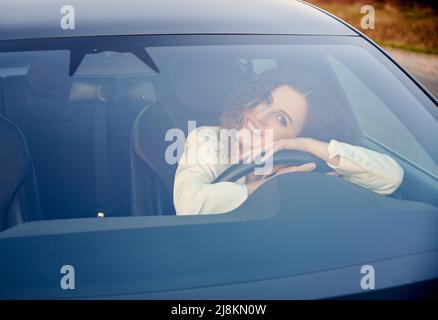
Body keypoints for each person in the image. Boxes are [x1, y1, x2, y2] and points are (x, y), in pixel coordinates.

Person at [173, 69, 404, 215]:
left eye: (282, 119)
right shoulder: (208, 139)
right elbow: (189, 206)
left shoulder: (301, 165)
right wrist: (266, 186)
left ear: (295, 137)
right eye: (265, 101)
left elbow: (391, 178)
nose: (260, 116)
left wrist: (306, 146)